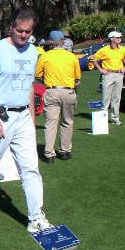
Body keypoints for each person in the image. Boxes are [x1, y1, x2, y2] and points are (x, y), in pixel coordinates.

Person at [0, 6, 52, 235]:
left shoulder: (33, 51)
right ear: (12, 27)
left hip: (23, 117)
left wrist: (31, 117)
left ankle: (36, 217)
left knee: (31, 168)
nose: (23, 35)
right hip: (1, 116)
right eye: (20, 31)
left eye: (28, 32)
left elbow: (30, 86)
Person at [35, 30, 81, 163]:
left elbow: (38, 75)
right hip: (68, 91)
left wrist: (47, 82)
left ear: (50, 42)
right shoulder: (72, 57)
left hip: (52, 91)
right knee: (67, 122)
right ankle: (65, 151)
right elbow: (78, 79)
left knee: (51, 123)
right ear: (63, 41)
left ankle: (49, 154)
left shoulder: (45, 56)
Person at [93, 31, 125, 125]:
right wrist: (101, 70)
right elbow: (93, 58)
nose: (120, 38)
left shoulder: (123, 49)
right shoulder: (104, 50)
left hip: (119, 75)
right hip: (108, 75)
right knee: (105, 98)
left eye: (120, 37)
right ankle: (102, 120)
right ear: (111, 38)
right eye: (117, 37)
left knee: (116, 98)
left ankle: (115, 119)